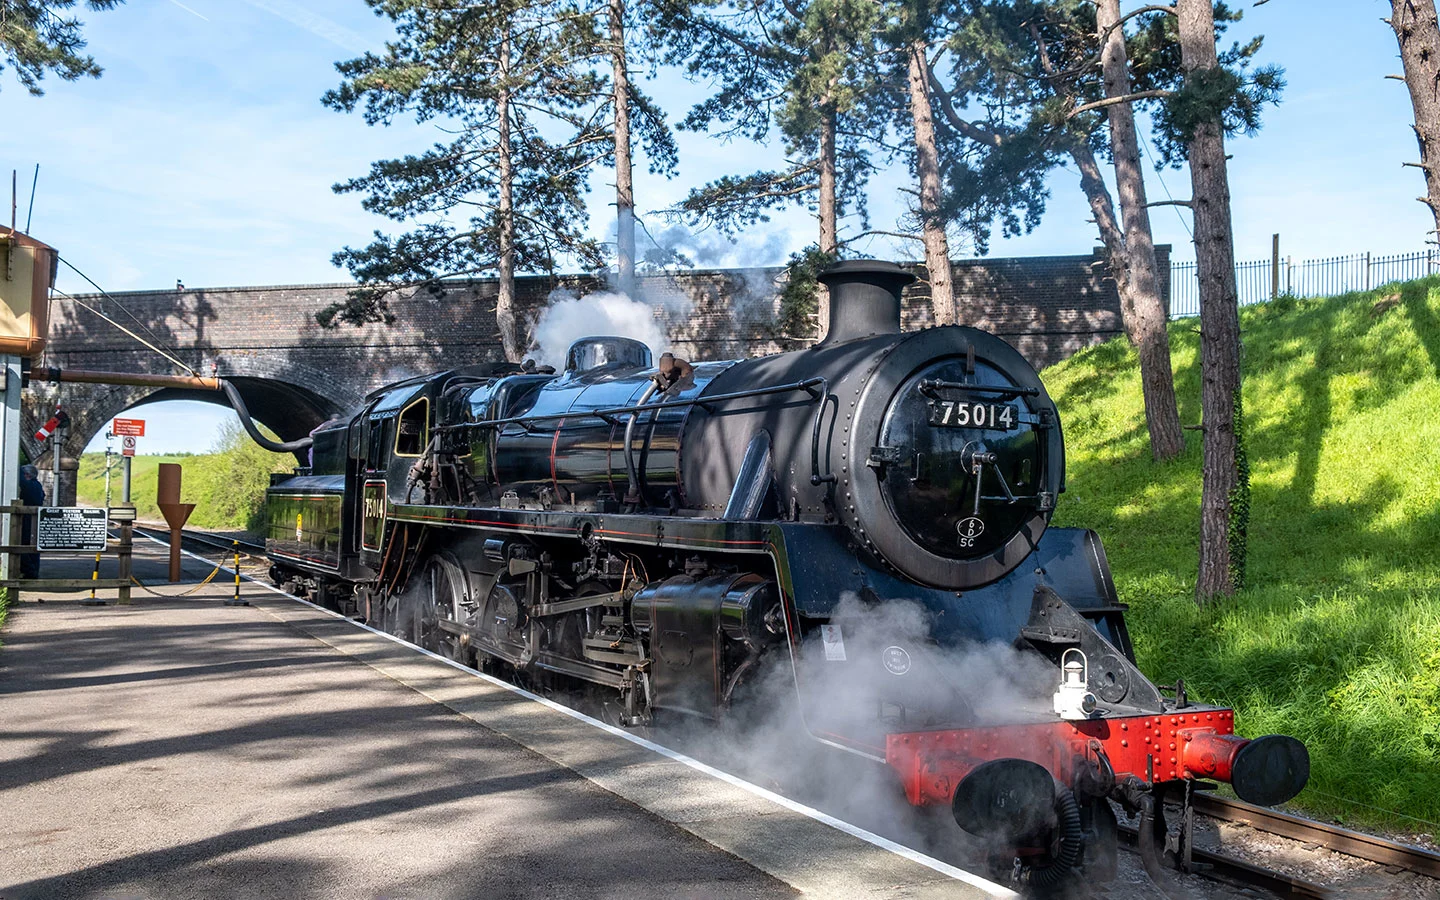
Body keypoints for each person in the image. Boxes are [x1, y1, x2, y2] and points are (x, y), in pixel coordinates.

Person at [18, 464, 45, 579]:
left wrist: (16, 468)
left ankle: (30, 572)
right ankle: (32, 571)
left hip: (27, 519)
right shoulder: (37, 485)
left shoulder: (30, 485)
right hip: (33, 519)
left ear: (27, 475)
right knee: (32, 547)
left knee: (22, 544)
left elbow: (21, 480)